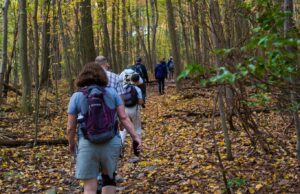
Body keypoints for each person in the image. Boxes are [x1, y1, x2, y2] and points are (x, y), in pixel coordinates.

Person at [67, 62, 141, 194]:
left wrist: (71, 144)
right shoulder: (112, 93)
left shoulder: (76, 96)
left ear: (83, 76)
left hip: (87, 143)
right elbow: (124, 118)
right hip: (111, 142)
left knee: (89, 186)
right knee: (109, 179)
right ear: (102, 76)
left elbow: (70, 127)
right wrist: (136, 137)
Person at [120, 73, 144, 163]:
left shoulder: (124, 87)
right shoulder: (137, 89)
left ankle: (119, 150)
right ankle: (136, 154)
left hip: (125, 111)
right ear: (137, 81)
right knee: (137, 129)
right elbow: (140, 102)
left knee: (124, 130)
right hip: (134, 111)